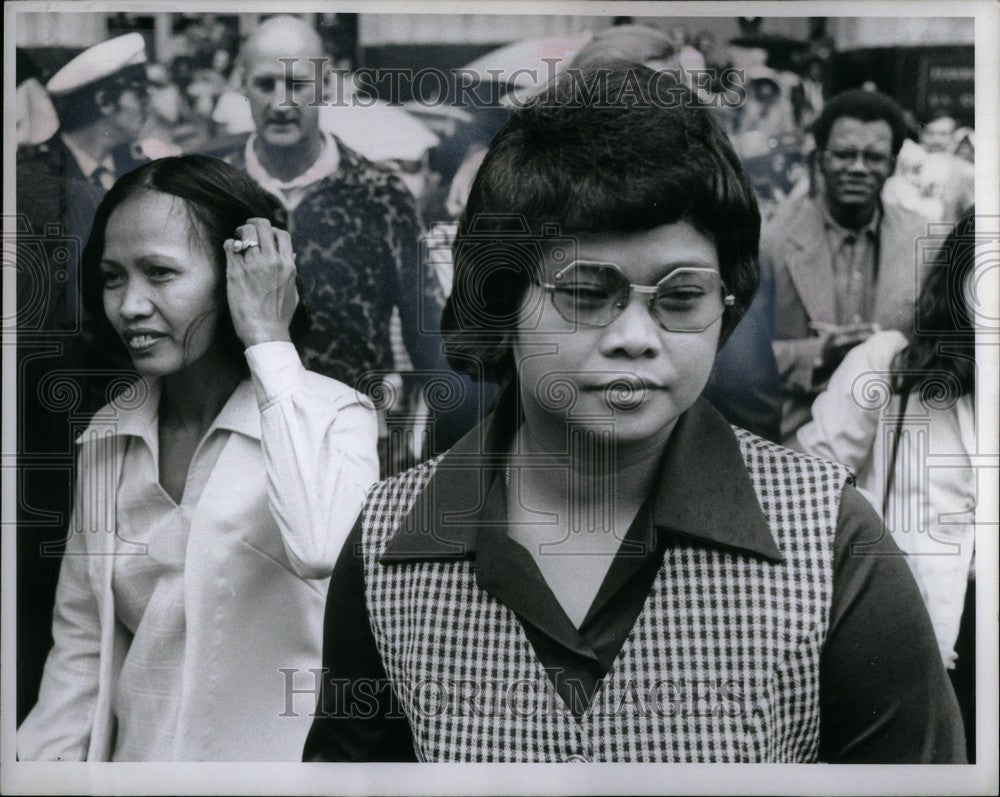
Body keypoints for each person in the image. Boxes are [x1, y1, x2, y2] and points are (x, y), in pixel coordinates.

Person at [302, 66, 964, 763]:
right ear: (502, 300)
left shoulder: (831, 542)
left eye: (681, 297)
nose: (637, 335)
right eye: (588, 292)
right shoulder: (389, 543)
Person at [17, 156, 379, 761]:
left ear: (236, 274)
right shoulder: (108, 435)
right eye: (112, 277)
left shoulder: (335, 416)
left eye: (159, 273)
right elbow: (79, 651)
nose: (130, 305)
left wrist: (267, 334)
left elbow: (321, 550)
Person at [797, 212, 978, 762]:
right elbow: (810, 483)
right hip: (912, 624)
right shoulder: (890, 364)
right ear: (961, 276)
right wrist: (875, 541)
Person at [15, 32, 152, 726]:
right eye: (140, 93)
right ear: (110, 101)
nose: (150, 105)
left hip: (111, 428)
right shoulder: (31, 186)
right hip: (47, 437)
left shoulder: (126, 175)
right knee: (49, 606)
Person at [211, 15, 444, 394]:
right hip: (237, 428)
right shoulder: (214, 192)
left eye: (297, 84)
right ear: (244, 88)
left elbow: (430, 335)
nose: (281, 104)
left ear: (324, 86)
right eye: (265, 84)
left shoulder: (380, 194)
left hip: (354, 429)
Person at [753, 88, 927, 444]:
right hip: (797, 442)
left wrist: (889, 353)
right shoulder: (770, 244)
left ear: (892, 165)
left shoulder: (926, 242)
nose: (858, 168)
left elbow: (947, 352)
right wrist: (818, 354)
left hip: (893, 442)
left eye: (874, 157)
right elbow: (739, 361)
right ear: (820, 160)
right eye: (845, 155)